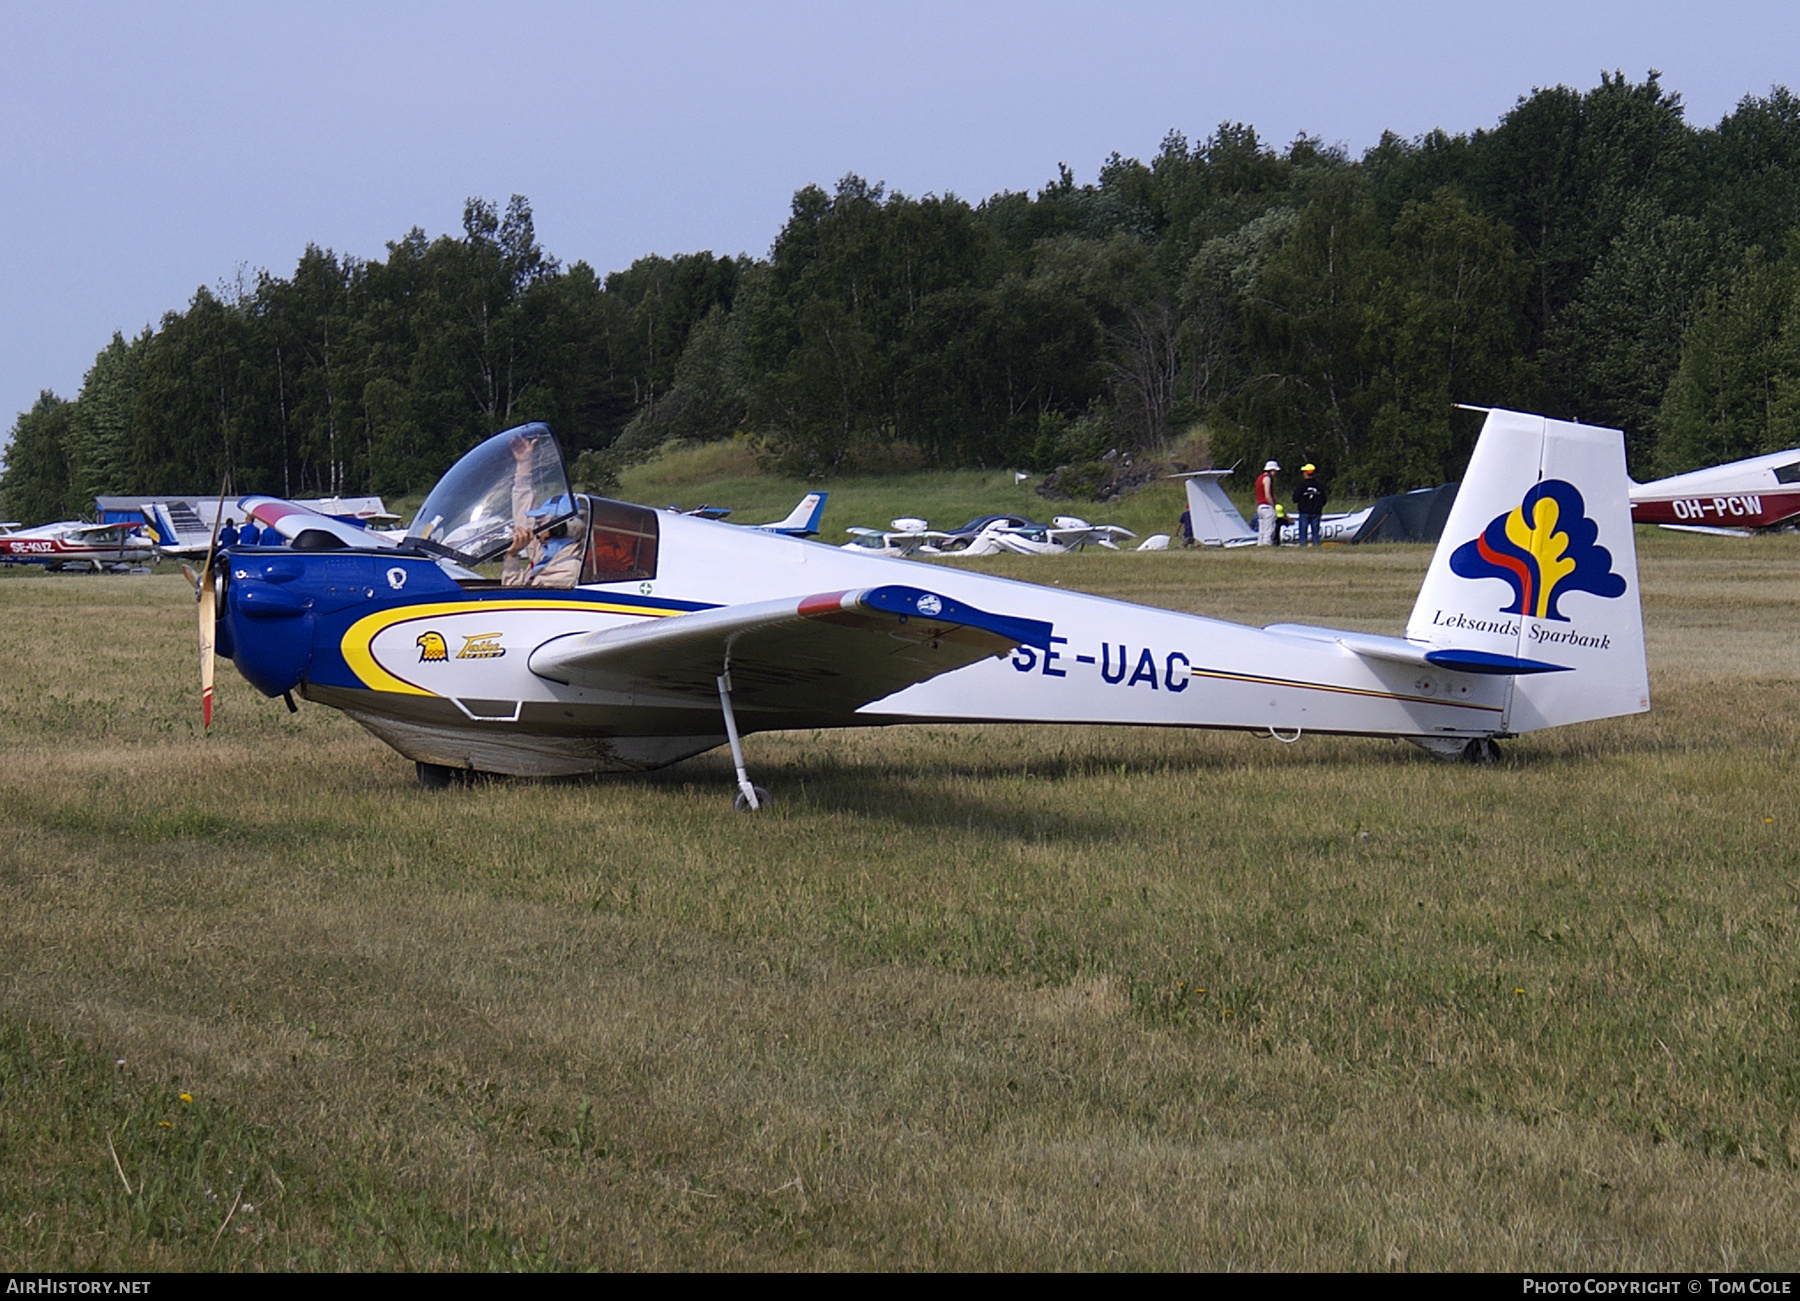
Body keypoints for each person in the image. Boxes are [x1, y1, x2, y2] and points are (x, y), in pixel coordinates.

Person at [501, 431, 585, 588]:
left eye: (541, 522)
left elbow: (517, 594)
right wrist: (524, 465)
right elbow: (522, 515)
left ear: (558, 528)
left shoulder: (567, 571)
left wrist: (512, 555)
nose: (536, 527)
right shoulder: (546, 552)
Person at [1294, 463, 1327, 547]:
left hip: (1304, 511)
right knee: (1315, 531)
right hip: (1316, 511)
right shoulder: (1319, 485)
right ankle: (1316, 545)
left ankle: (1303, 545)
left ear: (1306, 473)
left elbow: (1295, 498)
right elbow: (1324, 499)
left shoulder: (1301, 485)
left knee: (1303, 531)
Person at [1255, 460, 1279, 546]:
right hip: (1267, 506)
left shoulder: (1259, 478)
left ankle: (1260, 544)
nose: (1275, 472)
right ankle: (1267, 544)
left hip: (1260, 506)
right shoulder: (1267, 478)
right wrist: (1273, 506)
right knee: (1269, 529)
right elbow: (1267, 494)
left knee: (1262, 529)